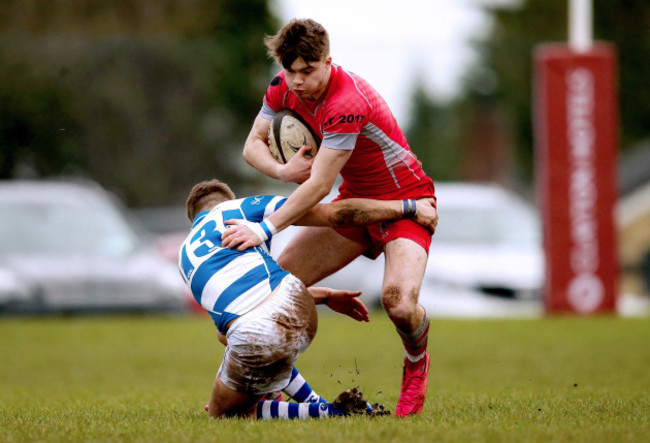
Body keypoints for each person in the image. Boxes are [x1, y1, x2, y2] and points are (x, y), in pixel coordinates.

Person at [224, 18, 438, 418]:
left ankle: (416, 365)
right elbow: (251, 146)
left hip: (407, 200)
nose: (299, 81)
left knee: (398, 304)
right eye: (292, 72)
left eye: (309, 70)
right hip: (354, 203)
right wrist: (283, 171)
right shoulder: (280, 87)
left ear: (327, 61)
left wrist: (264, 228)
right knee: (266, 298)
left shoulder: (346, 102)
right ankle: (251, 392)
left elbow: (319, 186)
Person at [178, 179, 437, 419]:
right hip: (297, 301)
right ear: (228, 200)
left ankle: (332, 413)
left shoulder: (184, 254)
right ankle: (314, 401)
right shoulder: (243, 207)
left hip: (257, 331)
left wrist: (407, 207)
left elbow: (239, 314)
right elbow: (331, 214)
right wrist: (324, 296)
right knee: (245, 341)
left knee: (224, 414)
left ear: (194, 221)